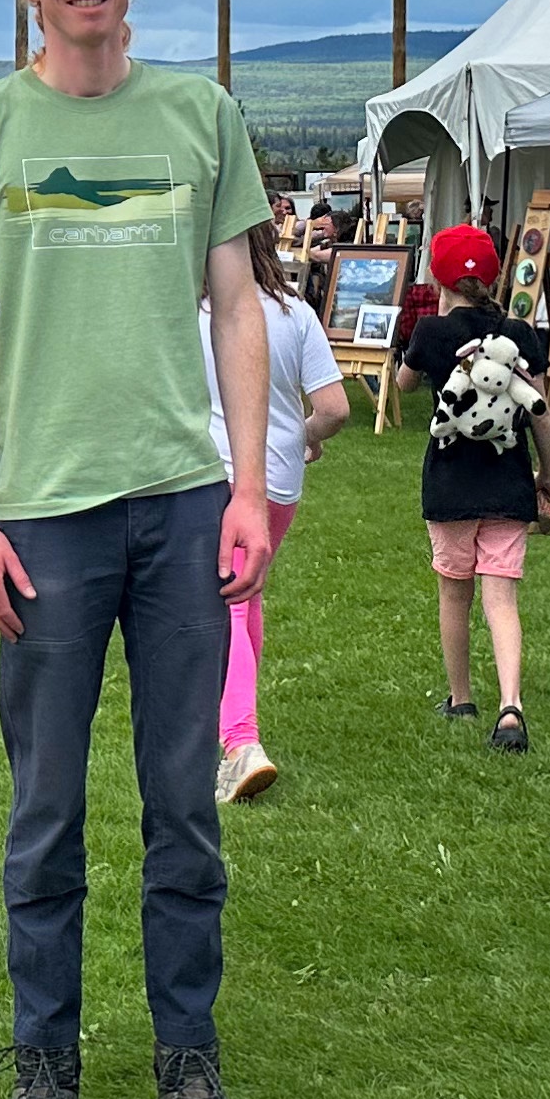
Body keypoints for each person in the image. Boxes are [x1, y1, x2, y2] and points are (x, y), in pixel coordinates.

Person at [0, 0, 276, 1099]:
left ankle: (190, 1067)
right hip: (44, 515)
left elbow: (237, 305)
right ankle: (45, 1070)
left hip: (181, 500)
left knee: (184, 806)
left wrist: (248, 486)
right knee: (45, 812)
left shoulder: (201, 115)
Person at [210, 224, 351, 805]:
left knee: (227, 604)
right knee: (248, 596)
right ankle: (237, 725)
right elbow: (334, 408)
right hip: (280, 481)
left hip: (220, 471)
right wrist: (305, 437)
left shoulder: (200, 311)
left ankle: (240, 739)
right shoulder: (296, 313)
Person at [393, 222, 547, 753]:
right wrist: (547, 475)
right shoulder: (519, 333)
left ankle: (460, 697)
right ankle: (511, 705)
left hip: (449, 483)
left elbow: (404, 385)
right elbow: (541, 413)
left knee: (454, 593)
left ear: (439, 278)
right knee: (501, 597)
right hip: (508, 480)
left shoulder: (431, 333)